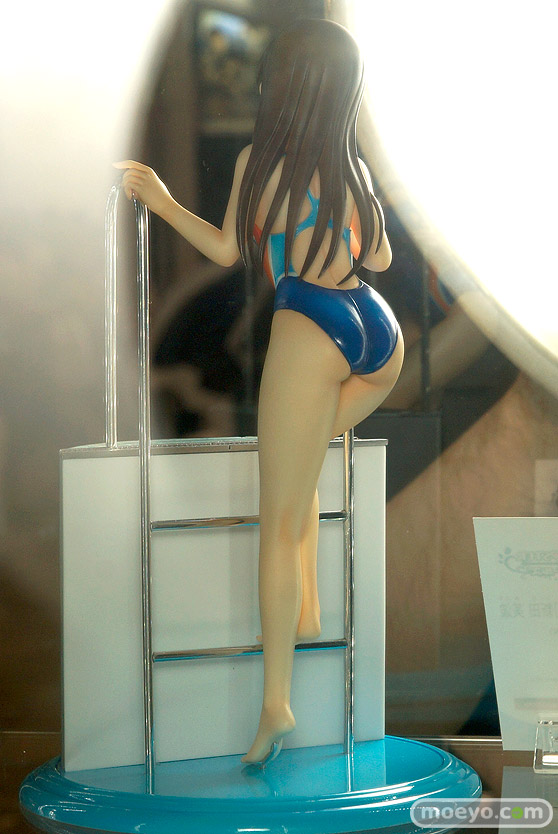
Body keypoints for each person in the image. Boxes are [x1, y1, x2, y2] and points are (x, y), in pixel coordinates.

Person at [115, 18, 403, 768]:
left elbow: (225, 248)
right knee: (298, 470)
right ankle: (306, 607)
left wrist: (163, 201)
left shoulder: (261, 165)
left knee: (276, 517)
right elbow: (379, 255)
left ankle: (276, 703)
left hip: (310, 331)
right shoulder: (354, 168)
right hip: (378, 335)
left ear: (281, 86)